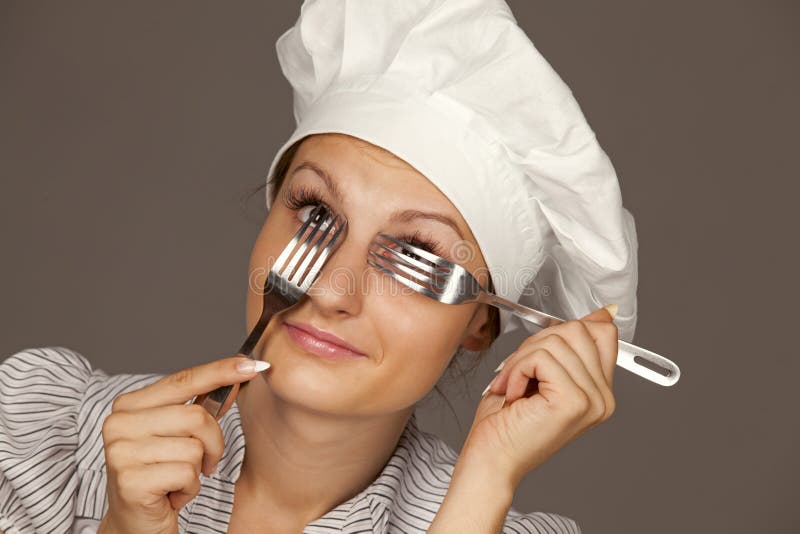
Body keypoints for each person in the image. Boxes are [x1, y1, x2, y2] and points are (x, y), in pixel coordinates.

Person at [0, 1, 640, 533]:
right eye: (313, 214)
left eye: (416, 257)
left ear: (479, 325)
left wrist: (484, 482)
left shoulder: (482, 517)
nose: (331, 287)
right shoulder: (35, 434)